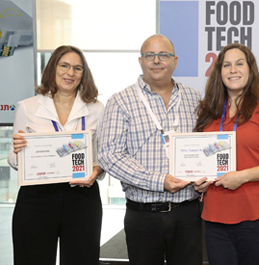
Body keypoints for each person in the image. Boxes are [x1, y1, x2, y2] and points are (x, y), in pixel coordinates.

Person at [97, 34, 204, 265]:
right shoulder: (120, 101)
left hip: (188, 212)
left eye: (163, 55)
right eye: (150, 55)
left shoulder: (194, 98)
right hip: (143, 214)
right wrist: (159, 181)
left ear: (175, 61)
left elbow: (204, 147)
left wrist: (205, 176)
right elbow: (109, 154)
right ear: (141, 61)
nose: (157, 60)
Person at [192, 43, 259, 265]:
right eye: (226, 65)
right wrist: (199, 181)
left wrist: (242, 176)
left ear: (250, 69)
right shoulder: (208, 110)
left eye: (239, 64)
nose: (233, 70)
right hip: (215, 214)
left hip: (257, 211)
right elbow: (203, 157)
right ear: (219, 72)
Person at [8, 45, 104, 265]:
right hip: (37, 197)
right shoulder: (27, 107)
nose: (70, 73)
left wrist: (96, 171)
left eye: (77, 68)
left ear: (83, 74)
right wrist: (17, 151)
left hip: (81, 196)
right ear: (53, 68)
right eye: (64, 66)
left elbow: (102, 156)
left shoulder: (97, 109)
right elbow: (14, 161)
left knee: (82, 259)